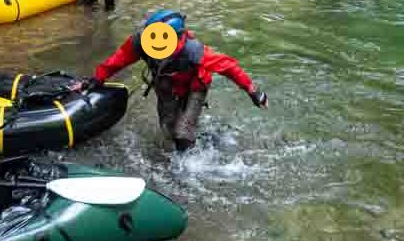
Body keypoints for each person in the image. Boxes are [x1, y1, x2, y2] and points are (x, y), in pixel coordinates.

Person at [80, 9, 268, 151]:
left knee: (182, 135)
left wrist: (253, 91)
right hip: (166, 83)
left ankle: (188, 163)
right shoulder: (140, 42)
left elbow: (229, 67)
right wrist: (97, 78)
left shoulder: (194, 51)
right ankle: (186, 140)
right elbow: (119, 59)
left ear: (177, 38)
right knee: (168, 129)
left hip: (196, 85)